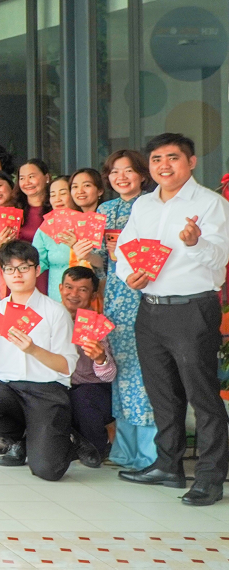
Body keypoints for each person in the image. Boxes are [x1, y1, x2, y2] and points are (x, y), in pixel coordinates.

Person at [115, 133, 229, 506]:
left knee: (202, 396)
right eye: (157, 159)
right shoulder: (144, 204)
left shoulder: (210, 204)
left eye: (173, 157)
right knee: (162, 393)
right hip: (150, 308)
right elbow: (126, 250)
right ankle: (168, 465)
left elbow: (220, 259)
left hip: (191, 309)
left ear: (191, 162)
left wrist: (196, 242)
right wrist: (128, 275)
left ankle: (210, 478)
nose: (164, 165)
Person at [0, 240, 79, 481]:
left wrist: (33, 350)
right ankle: (19, 439)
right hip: (11, 390)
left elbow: (67, 366)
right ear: (3, 273)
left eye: (24, 268)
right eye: (10, 269)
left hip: (47, 392)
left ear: (37, 270)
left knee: (48, 471)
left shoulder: (55, 312)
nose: (17, 274)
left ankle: (69, 439)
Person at [98, 148, 157, 472]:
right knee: (119, 370)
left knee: (144, 373)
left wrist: (125, 255)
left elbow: (159, 256)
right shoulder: (105, 210)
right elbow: (100, 265)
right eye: (114, 171)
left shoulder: (152, 205)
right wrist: (82, 248)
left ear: (142, 175)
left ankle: (150, 454)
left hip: (145, 296)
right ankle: (124, 450)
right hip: (114, 300)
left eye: (128, 170)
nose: (121, 177)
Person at [58, 266, 114, 468]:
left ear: (93, 295)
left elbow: (108, 376)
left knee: (83, 397)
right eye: (69, 287)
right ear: (60, 288)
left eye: (82, 289)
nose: (73, 294)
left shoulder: (97, 324)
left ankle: (95, 447)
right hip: (55, 385)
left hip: (90, 388)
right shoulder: (48, 317)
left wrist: (100, 359)